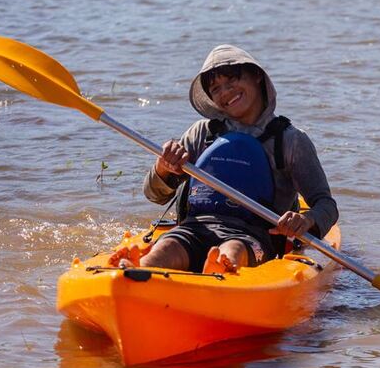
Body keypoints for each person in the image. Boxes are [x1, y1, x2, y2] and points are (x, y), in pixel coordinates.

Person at [116, 45, 338, 274]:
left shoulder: (290, 140)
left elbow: (326, 205)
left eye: (231, 81)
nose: (225, 92)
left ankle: (219, 270)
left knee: (232, 249)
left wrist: (307, 220)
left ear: (257, 76)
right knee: (168, 246)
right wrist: (163, 168)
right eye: (216, 89)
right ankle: (139, 270)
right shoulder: (202, 133)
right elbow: (153, 195)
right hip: (195, 228)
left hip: (253, 237)